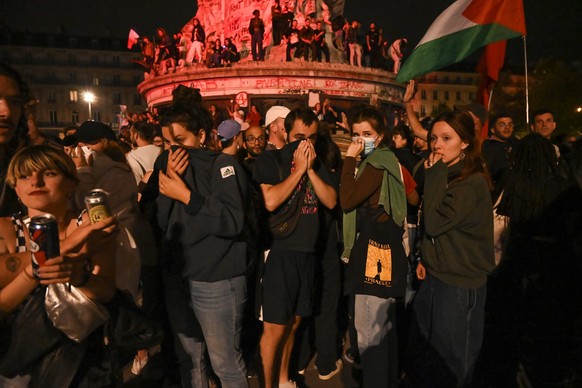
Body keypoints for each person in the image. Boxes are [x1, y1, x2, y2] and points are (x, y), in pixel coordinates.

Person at [153, 93, 250, 387]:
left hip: (216, 281)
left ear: (202, 136)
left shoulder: (222, 165)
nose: (173, 151)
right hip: (179, 278)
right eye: (167, 144)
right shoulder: (166, 166)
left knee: (225, 365)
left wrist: (185, 194)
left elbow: (231, 221)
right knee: (191, 360)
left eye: (180, 142)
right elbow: (163, 224)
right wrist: (167, 189)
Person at [0, 145, 118, 386]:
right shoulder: (5, 230)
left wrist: (78, 277)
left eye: (49, 173)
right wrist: (54, 255)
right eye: (24, 176)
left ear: (71, 182)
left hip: (80, 359)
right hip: (18, 360)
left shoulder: (89, 225)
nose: (35, 181)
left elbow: (106, 291)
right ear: (16, 188)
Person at [407, 111, 494, 387]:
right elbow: (432, 225)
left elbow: (434, 223)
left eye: (447, 138)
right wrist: (425, 254)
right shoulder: (449, 174)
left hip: (458, 286)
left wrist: (433, 177)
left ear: (465, 143)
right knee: (430, 359)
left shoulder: (471, 182)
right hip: (436, 277)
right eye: (433, 138)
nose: (437, 145)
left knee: (452, 365)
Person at [254, 108, 337, 388]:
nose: (305, 143)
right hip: (281, 253)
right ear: (286, 134)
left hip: (307, 255)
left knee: (294, 323)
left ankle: (282, 378)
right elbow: (270, 201)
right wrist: (298, 170)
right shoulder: (271, 158)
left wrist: (310, 170)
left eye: (312, 137)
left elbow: (331, 200)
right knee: (275, 327)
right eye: (299, 137)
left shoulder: (316, 162)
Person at [340, 107, 418, 387]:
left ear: (381, 135)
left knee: (370, 331)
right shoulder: (391, 162)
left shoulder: (374, 163)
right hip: (389, 248)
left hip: (375, 250)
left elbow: (347, 199)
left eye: (367, 134)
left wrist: (349, 162)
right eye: (355, 135)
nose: (360, 140)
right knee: (385, 328)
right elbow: (413, 197)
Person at [481, 113, 518, 199]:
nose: (507, 128)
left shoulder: (517, 144)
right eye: (502, 125)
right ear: (493, 130)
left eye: (510, 124)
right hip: (494, 194)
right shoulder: (486, 146)